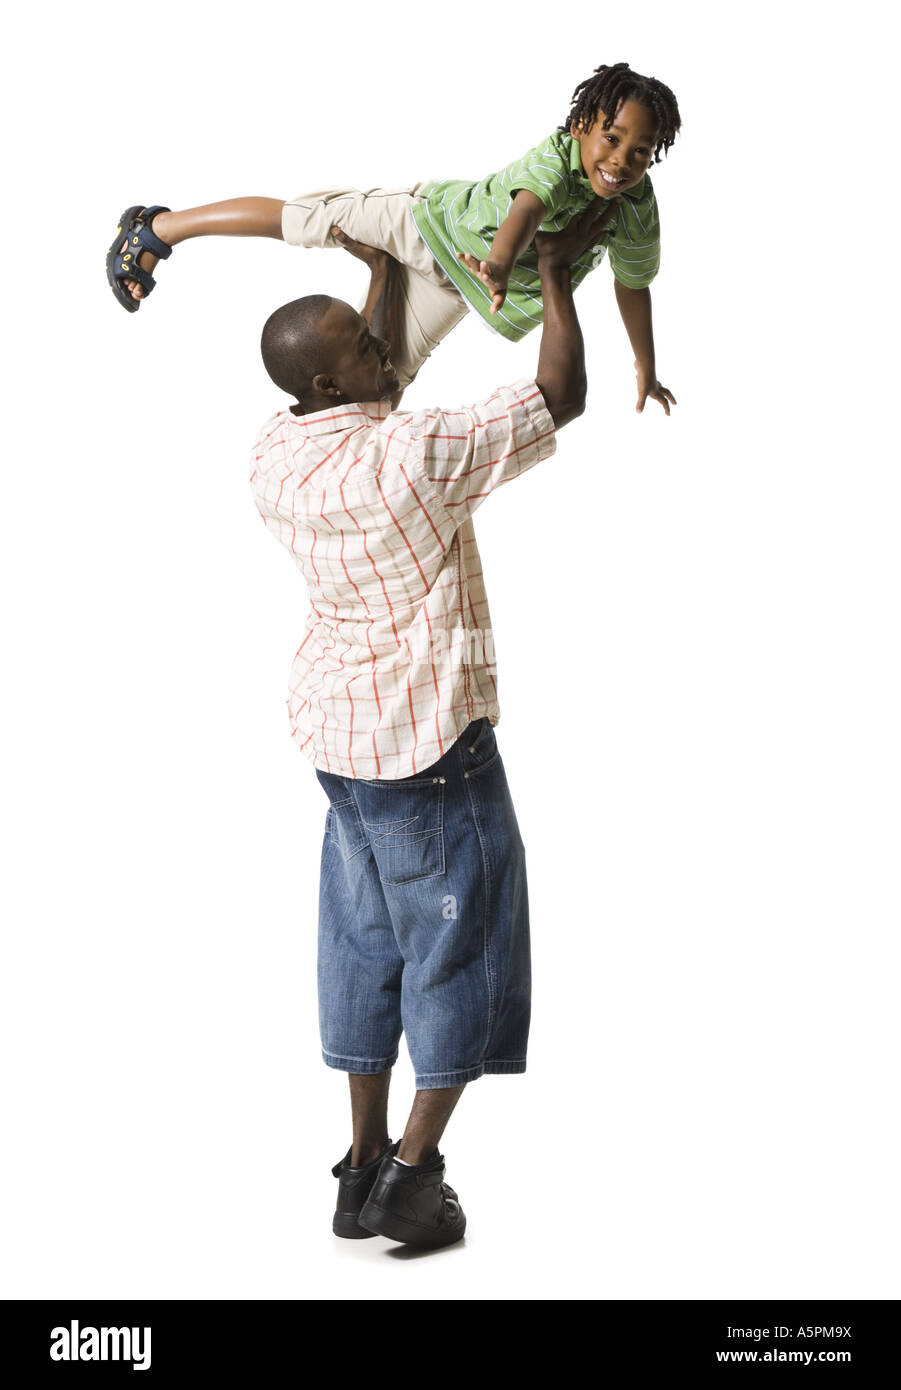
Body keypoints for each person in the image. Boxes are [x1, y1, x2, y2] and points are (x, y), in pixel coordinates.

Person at [248, 196, 612, 1249]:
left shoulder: (274, 451)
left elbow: (365, 390)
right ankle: (412, 1175)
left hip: (341, 743)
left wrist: (379, 283)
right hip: (429, 747)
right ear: (332, 378)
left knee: (363, 945)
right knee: (461, 949)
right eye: (368, 344)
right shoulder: (419, 457)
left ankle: (357, 1163)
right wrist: (551, 274)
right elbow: (559, 394)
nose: (384, 349)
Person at [106, 62, 679, 416]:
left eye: (640, 151)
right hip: (423, 226)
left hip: (456, 290)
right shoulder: (556, 159)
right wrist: (500, 263)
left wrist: (644, 365)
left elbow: (634, 285)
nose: (620, 161)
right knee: (304, 221)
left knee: (376, 398)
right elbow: (527, 209)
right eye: (611, 137)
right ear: (582, 126)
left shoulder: (634, 209)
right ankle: (158, 227)